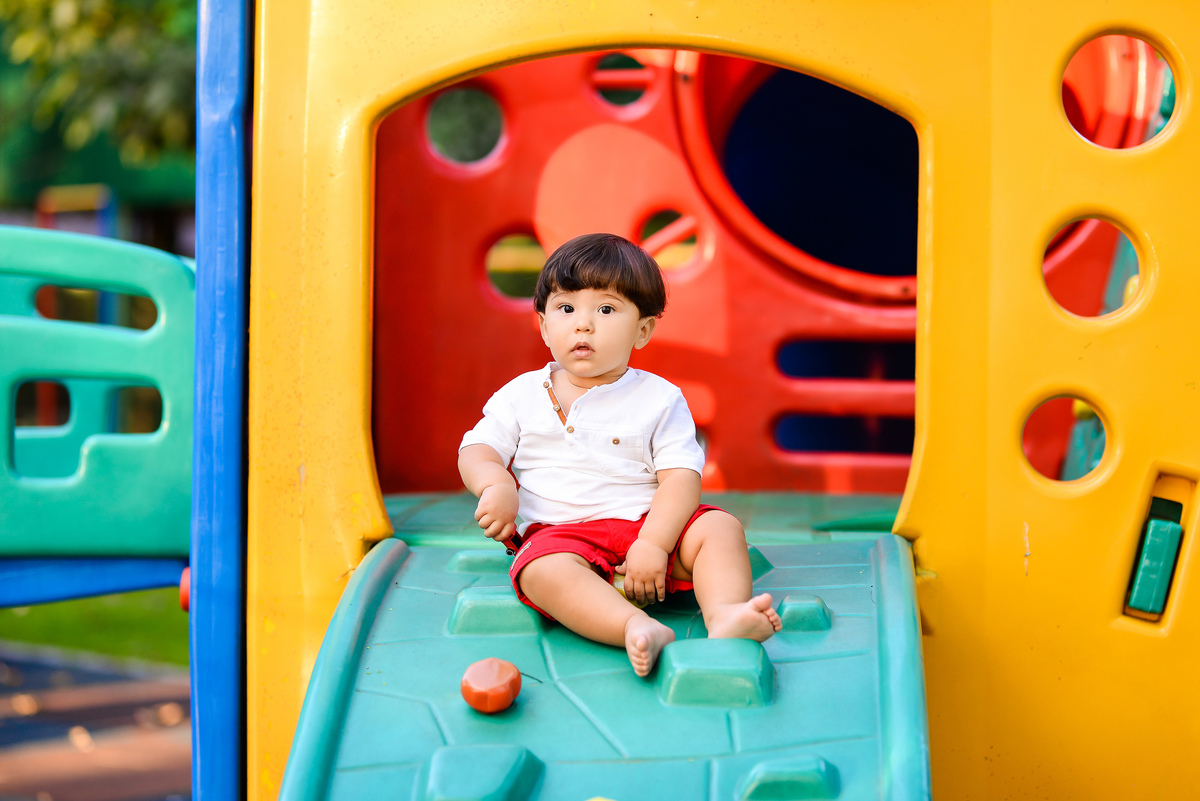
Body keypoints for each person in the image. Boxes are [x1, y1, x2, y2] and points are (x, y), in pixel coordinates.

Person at [458, 233, 780, 676]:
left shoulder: (659, 398)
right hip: (559, 537)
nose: (583, 324)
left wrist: (654, 542)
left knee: (719, 528)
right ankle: (633, 626)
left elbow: (680, 479)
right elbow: (477, 448)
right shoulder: (522, 394)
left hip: (649, 530)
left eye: (606, 309)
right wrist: (495, 484)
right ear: (543, 325)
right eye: (566, 308)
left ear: (642, 330)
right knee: (540, 572)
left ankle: (726, 613)